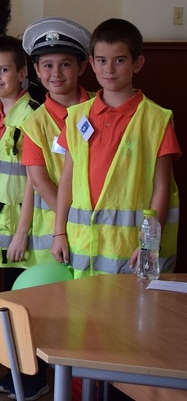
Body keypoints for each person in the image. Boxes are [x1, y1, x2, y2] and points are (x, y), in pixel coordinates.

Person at [52, 18, 181, 277]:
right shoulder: (76, 116)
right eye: (102, 60)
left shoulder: (156, 119)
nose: (109, 69)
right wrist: (59, 233)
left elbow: (162, 186)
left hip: (132, 251)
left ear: (137, 63)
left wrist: (149, 244)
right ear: (91, 63)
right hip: (83, 247)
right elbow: (67, 178)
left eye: (119, 60)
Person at [10, 17, 92, 401]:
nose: (56, 73)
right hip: (54, 234)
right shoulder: (36, 122)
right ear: (35, 71)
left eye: (65, 64)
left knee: (92, 311)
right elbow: (39, 179)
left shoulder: (98, 110)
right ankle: (45, 380)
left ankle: (86, 383)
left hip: (97, 233)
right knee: (52, 311)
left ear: (82, 66)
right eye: (47, 65)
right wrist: (68, 222)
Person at [0, 37, 40, 285]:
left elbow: (35, 181)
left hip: (29, 229)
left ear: (21, 73)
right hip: (5, 223)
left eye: (3, 70)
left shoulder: (32, 116)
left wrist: (22, 233)